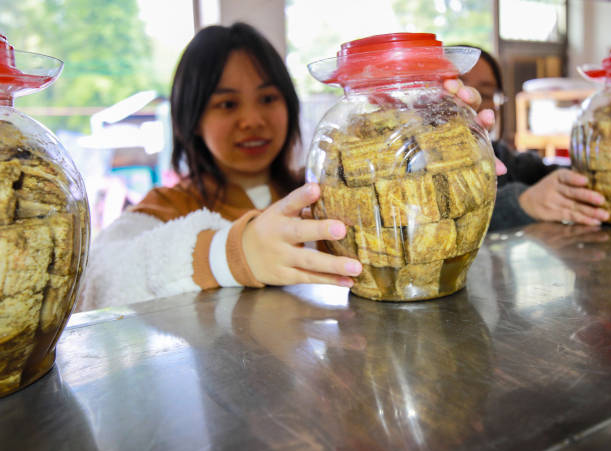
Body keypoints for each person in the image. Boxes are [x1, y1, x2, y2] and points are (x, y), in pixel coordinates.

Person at [78, 23, 498, 311]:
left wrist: (439, 145)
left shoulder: (323, 190)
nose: (252, 120)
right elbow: (98, 277)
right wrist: (230, 254)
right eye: (227, 104)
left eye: (268, 98)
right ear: (191, 120)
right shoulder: (168, 205)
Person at [461, 47, 611, 229]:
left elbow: (547, 172)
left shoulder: (503, 158)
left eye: (485, 94)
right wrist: (523, 202)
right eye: (461, 89)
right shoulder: (420, 166)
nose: (470, 102)